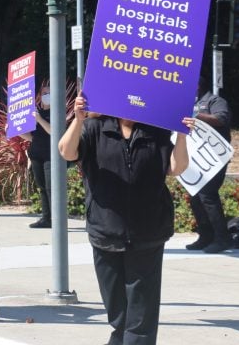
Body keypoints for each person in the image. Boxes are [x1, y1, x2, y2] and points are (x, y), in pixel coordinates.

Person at [58, 93, 193, 345]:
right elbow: (66, 151)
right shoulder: (95, 128)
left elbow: (176, 167)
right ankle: (119, 339)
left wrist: (182, 134)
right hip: (105, 230)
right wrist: (77, 120)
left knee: (142, 310)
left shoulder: (156, 130)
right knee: (116, 305)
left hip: (148, 231)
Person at [187, 77, 233, 253]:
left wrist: (196, 117)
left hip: (214, 158)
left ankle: (222, 238)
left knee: (208, 195)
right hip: (196, 157)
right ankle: (206, 236)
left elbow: (221, 119)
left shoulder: (214, 101)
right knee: (195, 196)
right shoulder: (188, 102)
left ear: (197, 84)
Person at [21, 83, 52, 228]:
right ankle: (46, 218)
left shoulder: (57, 113)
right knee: (42, 188)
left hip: (50, 157)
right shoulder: (36, 113)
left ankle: (56, 218)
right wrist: (16, 131)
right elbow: (31, 137)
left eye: (49, 93)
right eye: (44, 93)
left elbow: (54, 131)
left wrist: (39, 119)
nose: (47, 96)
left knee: (51, 188)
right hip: (36, 155)